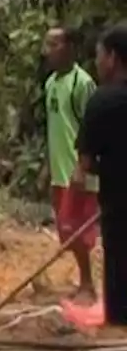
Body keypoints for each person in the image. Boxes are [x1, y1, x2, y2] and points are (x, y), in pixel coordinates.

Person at [72, 24, 127, 327]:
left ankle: (119, 328)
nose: (97, 62)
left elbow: (84, 163)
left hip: (118, 203)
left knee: (119, 263)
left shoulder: (102, 102)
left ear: (114, 58)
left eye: (100, 55)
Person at [42, 26, 99, 304]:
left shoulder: (82, 83)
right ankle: (83, 279)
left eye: (53, 45)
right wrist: (46, 165)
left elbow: (93, 126)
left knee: (75, 228)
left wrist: (83, 166)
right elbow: (53, 128)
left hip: (78, 172)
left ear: (69, 48)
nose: (47, 51)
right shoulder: (50, 83)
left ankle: (88, 284)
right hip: (58, 169)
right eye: (47, 45)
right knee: (65, 230)